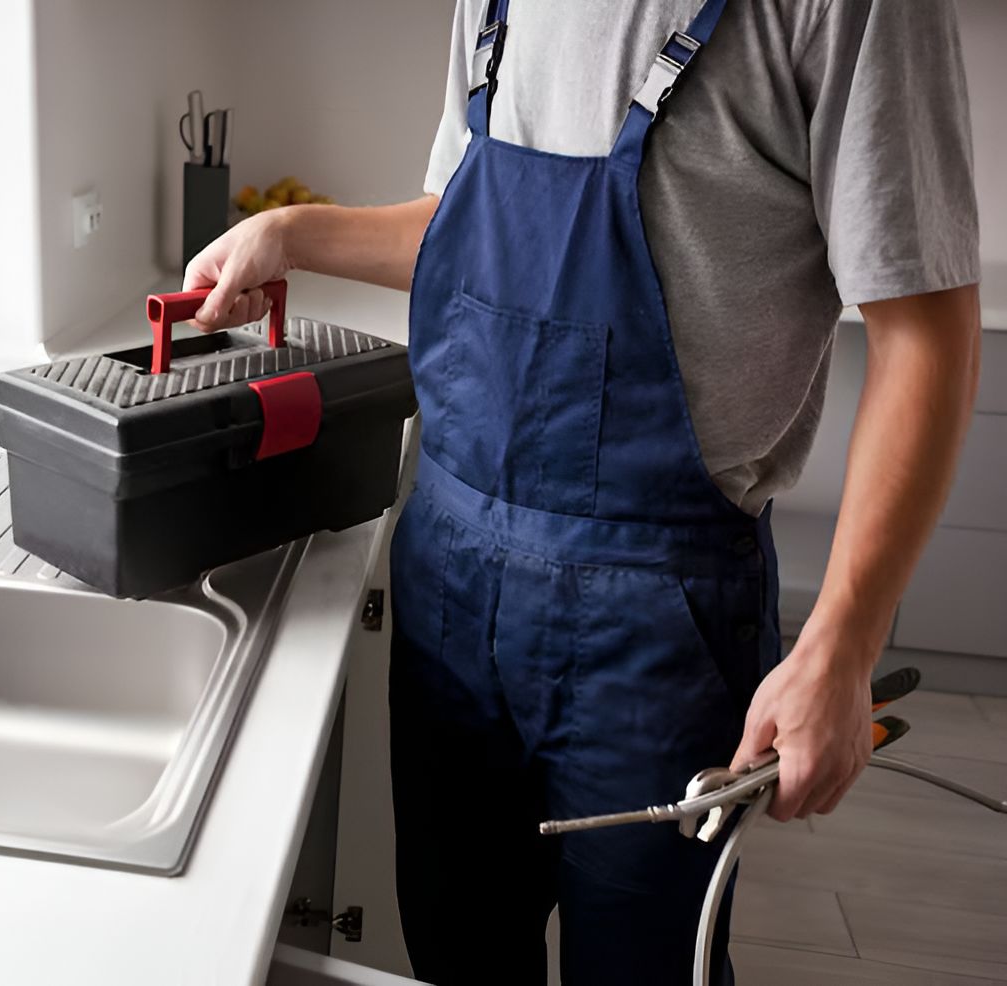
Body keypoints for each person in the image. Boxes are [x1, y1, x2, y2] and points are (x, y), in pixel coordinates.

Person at [184, 1, 982, 982]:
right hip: (450, 571)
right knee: (454, 947)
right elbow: (467, 227)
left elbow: (927, 325)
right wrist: (292, 232)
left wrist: (844, 642)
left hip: (657, 615)